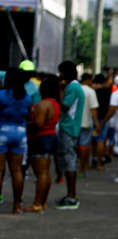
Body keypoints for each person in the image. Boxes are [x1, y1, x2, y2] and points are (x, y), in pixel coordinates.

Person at [24, 75, 61, 212]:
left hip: (40, 138)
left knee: (41, 173)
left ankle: (37, 203)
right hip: (50, 136)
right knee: (45, 172)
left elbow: (39, 123)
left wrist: (25, 123)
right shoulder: (55, 103)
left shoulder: (42, 104)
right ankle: (42, 202)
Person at [0, 68, 32, 214]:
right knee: (17, 171)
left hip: (2, 132)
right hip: (20, 134)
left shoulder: (2, 95)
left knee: (0, 170)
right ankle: (17, 205)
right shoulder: (26, 97)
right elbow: (29, 115)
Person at [55, 61, 85, 210]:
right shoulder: (75, 86)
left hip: (69, 127)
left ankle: (72, 196)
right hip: (70, 127)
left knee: (69, 161)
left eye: (61, 72)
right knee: (68, 161)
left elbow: (65, 106)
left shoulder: (72, 87)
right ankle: (70, 195)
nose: (59, 75)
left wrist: (60, 91)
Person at [78, 73, 99, 178]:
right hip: (86, 123)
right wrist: (96, 123)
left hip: (74, 124)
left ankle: (75, 168)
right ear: (88, 80)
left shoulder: (76, 89)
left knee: (75, 147)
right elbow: (93, 109)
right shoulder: (91, 92)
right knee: (84, 147)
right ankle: (82, 169)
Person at [92, 74, 112, 170]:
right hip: (104, 119)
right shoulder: (109, 92)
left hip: (94, 118)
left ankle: (92, 159)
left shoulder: (93, 91)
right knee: (101, 141)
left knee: (93, 141)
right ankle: (99, 164)